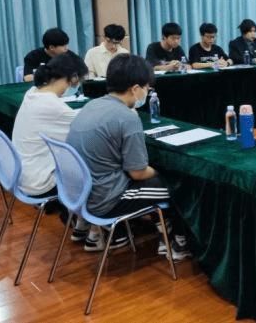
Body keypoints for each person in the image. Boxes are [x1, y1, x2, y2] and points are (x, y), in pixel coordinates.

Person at [66, 54, 191, 260]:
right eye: (147, 88)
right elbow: (138, 173)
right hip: (104, 200)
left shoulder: (92, 105)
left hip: (77, 193)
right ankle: (176, 243)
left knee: (155, 179)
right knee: (177, 184)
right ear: (135, 89)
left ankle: (165, 236)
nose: (148, 92)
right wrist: (163, 171)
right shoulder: (126, 118)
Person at [12, 53, 98, 248]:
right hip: (39, 180)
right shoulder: (52, 105)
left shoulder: (33, 93)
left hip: (23, 172)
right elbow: (88, 128)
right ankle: (96, 230)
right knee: (98, 166)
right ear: (73, 78)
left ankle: (82, 222)